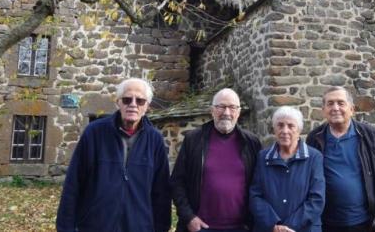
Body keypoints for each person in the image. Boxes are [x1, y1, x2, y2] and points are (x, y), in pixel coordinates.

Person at [56, 78, 171, 232]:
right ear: (118, 102)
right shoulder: (94, 133)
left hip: (139, 226)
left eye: (140, 101)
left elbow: (161, 193)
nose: (133, 105)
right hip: (95, 226)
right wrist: (65, 227)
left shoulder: (155, 140)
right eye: (127, 99)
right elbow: (74, 183)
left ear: (147, 107)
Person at [306, 87, 375, 232]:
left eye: (341, 103)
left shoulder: (372, 137)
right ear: (323, 110)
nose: (335, 108)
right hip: (327, 223)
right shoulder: (314, 139)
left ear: (352, 109)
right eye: (330, 103)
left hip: (367, 222)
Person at [171, 88, 262, 232]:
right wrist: (188, 217)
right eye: (221, 107)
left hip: (241, 228)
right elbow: (177, 182)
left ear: (238, 112)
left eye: (232, 107)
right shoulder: (193, 140)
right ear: (212, 110)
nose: (226, 113)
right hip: (201, 228)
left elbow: (260, 185)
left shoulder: (251, 143)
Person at [249, 106, 325, 232]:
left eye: (291, 126)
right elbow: (255, 196)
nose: (285, 130)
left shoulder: (314, 157)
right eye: (280, 125)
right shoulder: (263, 157)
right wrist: (274, 224)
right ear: (274, 128)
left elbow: (317, 199)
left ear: (299, 130)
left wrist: (289, 227)